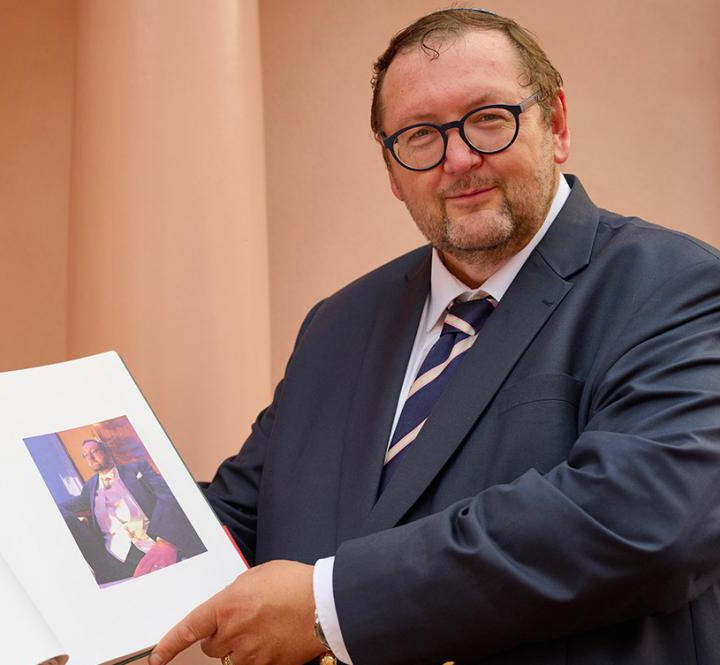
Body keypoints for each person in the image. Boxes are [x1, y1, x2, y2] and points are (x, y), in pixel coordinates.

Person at [151, 8, 720, 665]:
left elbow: (643, 523)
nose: (458, 158)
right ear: (393, 172)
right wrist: (67, 534)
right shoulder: (338, 325)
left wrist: (327, 606)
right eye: (421, 135)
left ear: (556, 123)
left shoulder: (678, 288)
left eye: (487, 118)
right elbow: (237, 519)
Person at [63, 439, 206, 584]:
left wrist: (164, 540)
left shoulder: (138, 468)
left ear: (106, 451)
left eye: (94, 451)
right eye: (85, 455)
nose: (91, 458)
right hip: (117, 556)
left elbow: (167, 496)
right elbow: (71, 506)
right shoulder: (90, 487)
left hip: (154, 540)